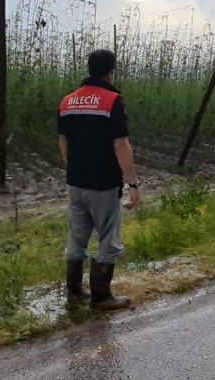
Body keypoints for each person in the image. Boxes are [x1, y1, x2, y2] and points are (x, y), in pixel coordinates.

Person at [57, 49, 141, 312]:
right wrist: (133, 184)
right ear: (110, 71)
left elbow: (63, 142)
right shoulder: (113, 100)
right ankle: (101, 297)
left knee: (77, 238)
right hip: (103, 184)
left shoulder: (67, 101)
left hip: (75, 182)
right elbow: (120, 144)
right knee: (108, 240)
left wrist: (74, 170)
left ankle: (74, 292)